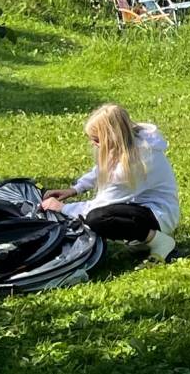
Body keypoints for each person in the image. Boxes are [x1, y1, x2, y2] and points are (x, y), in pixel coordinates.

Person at [41, 103, 179, 261]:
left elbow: (102, 205)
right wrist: (75, 189)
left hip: (160, 215)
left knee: (97, 219)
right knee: (99, 217)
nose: (94, 144)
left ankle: (160, 242)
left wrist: (63, 208)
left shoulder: (137, 162)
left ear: (111, 137)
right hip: (141, 208)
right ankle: (141, 241)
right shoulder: (131, 143)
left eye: (97, 140)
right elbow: (101, 170)